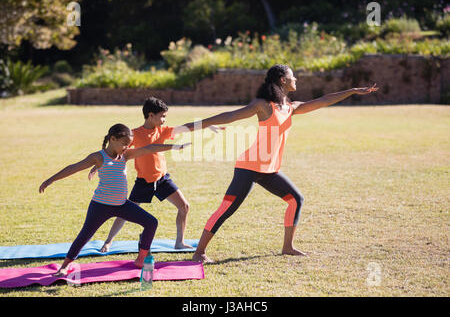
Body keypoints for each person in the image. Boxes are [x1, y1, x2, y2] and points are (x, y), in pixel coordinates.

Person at [182, 64, 378, 263]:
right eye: (293, 77)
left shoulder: (290, 107)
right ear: (283, 80)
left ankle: (288, 247)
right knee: (227, 209)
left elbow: (323, 100)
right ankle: (199, 253)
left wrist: (352, 91)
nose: (296, 80)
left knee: (296, 199)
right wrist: (193, 126)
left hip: (269, 169)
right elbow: (230, 116)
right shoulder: (264, 105)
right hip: (249, 166)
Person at [39, 123, 190, 276]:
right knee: (85, 235)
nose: (126, 147)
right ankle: (64, 266)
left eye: (128, 144)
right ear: (112, 139)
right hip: (100, 206)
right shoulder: (98, 157)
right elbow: (74, 167)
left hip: (122, 205)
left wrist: (174, 147)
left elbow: (150, 148)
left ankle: (140, 259)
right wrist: (51, 180)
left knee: (151, 222)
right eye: (124, 144)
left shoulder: (126, 155)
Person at [89, 97, 224, 252]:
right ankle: (108, 242)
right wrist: (96, 166)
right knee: (124, 212)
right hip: (142, 182)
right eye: (162, 116)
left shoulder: (163, 131)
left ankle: (179, 242)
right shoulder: (133, 135)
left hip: (162, 179)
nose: (165, 120)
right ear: (151, 115)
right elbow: (115, 150)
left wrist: (207, 125)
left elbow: (187, 127)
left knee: (184, 206)